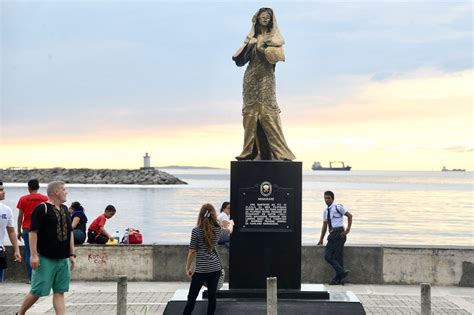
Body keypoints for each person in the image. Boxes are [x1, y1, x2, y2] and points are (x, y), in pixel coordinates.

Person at [233, 7, 295, 161]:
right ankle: (249, 151)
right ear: (257, 18)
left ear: (271, 20)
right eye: (263, 16)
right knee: (249, 113)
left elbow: (277, 57)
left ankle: (281, 153)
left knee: (269, 113)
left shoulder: (274, 39)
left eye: (268, 16)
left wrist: (262, 49)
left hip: (266, 77)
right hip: (250, 78)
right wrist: (250, 44)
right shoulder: (252, 37)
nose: (265, 18)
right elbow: (239, 60)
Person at [18, 181, 75, 315]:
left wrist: (72, 254)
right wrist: (33, 255)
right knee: (37, 291)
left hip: (63, 259)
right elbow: (33, 232)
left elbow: (70, 232)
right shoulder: (42, 208)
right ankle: (20, 313)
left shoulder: (65, 209)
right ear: (56, 192)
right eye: (64, 189)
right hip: (46, 258)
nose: (66, 192)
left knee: (59, 292)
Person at [183, 203, 234, 315]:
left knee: (191, 298)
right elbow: (229, 230)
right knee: (212, 297)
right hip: (215, 269)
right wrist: (232, 224)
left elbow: (192, 251)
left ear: (201, 215)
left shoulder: (196, 231)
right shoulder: (217, 229)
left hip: (201, 270)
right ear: (213, 215)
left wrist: (188, 268)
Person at [317, 191, 353, 285]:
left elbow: (349, 216)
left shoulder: (338, 207)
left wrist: (347, 230)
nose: (326, 200)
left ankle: (338, 279)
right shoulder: (325, 211)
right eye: (325, 198)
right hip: (332, 234)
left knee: (338, 257)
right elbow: (325, 225)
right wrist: (321, 239)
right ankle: (341, 272)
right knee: (328, 256)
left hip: (340, 233)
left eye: (328, 198)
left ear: (332, 198)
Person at [16, 179, 48, 281]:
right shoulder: (45, 198)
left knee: (29, 253)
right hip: (42, 229)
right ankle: (43, 277)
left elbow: (20, 217)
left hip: (27, 228)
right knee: (43, 252)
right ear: (38, 187)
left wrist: (18, 230)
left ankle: (31, 278)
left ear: (29, 188)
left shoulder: (23, 199)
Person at [0, 181, 22, 282]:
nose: (4, 192)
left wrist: (16, 250)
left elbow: (11, 231)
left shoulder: (7, 210)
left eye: (3, 189)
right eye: (0, 190)